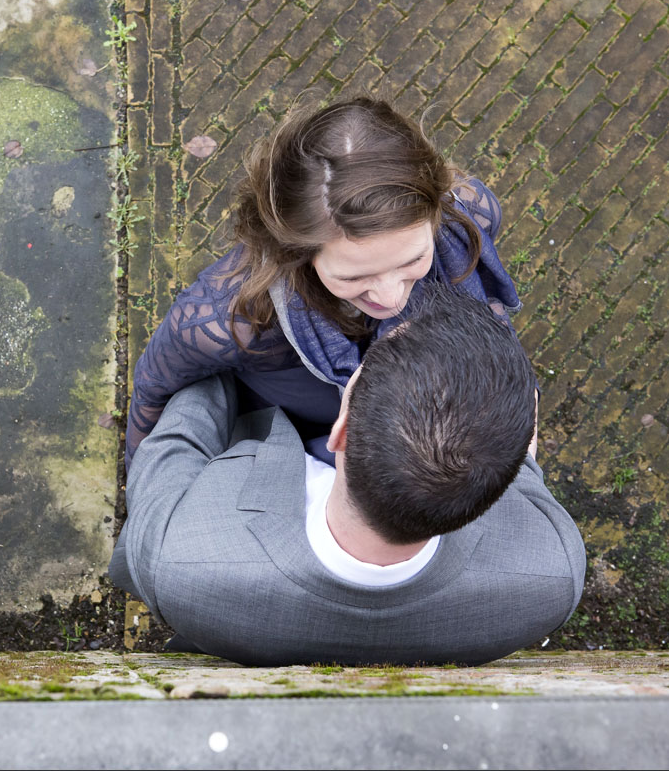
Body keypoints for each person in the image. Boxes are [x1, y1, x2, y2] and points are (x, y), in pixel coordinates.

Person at [109, 284, 584, 666]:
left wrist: (224, 354)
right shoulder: (552, 573)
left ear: (340, 431)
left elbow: (174, 444)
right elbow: (523, 472)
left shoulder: (180, 559)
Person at [127, 95, 522, 466]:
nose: (391, 297)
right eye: (354, 276)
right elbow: (150, 390)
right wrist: (143, 490)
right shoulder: (231, 318)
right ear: (296, 253)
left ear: (436, 213)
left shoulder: (473, 215)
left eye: (413, 259)